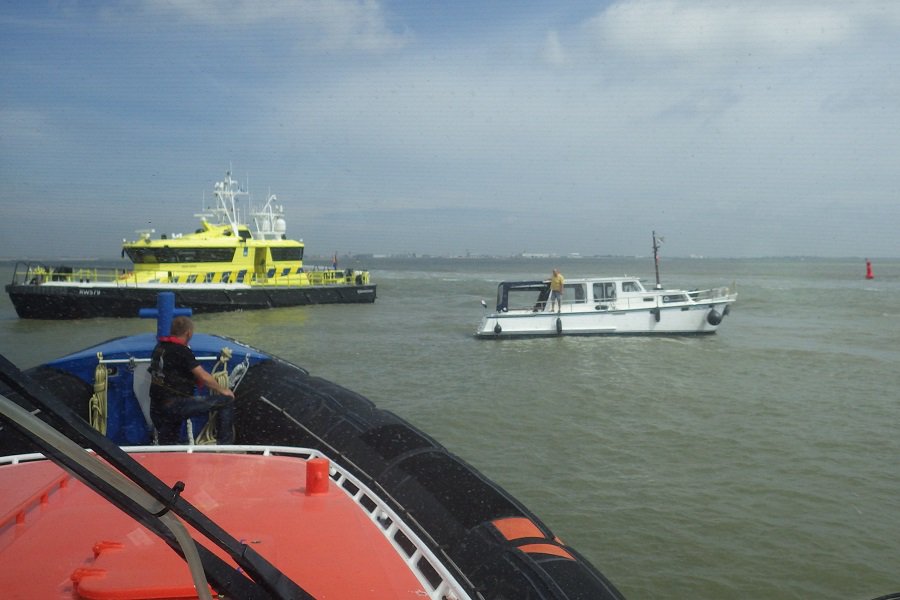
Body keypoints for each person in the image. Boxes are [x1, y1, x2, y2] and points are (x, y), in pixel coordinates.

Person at [149, 316, 235, 444]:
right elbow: (203, 376)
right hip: (175, 405)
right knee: (226, 402)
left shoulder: (159, 348)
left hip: (156, 407)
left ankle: (168, 454)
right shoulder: (182, 351)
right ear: (188, 333)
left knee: (168, 443)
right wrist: (223, 390)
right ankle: (225, 446)